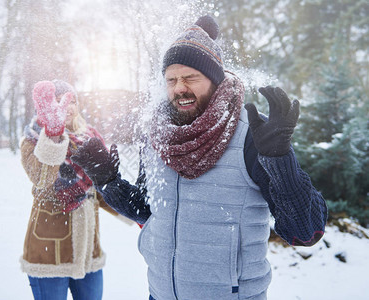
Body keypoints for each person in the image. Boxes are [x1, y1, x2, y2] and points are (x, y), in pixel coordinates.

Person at [71, 16, 328, 300]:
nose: (180, 87)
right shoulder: (158, 136)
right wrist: (107, 179)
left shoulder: (255, 136)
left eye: (191, 77)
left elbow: (305, 232)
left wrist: (280, 162)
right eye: (171, 79)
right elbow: (148, 211)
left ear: (215, 81)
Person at [20, 79, 121, 300]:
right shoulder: (32, 141)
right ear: (44, 107)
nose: (68, 106)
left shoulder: (90, 138)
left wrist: (134, 214)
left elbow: (101, 188)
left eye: (71, 100)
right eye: (58, 101)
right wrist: (53, 136)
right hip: (49, 253)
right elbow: (42, 180)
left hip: (88, 252)